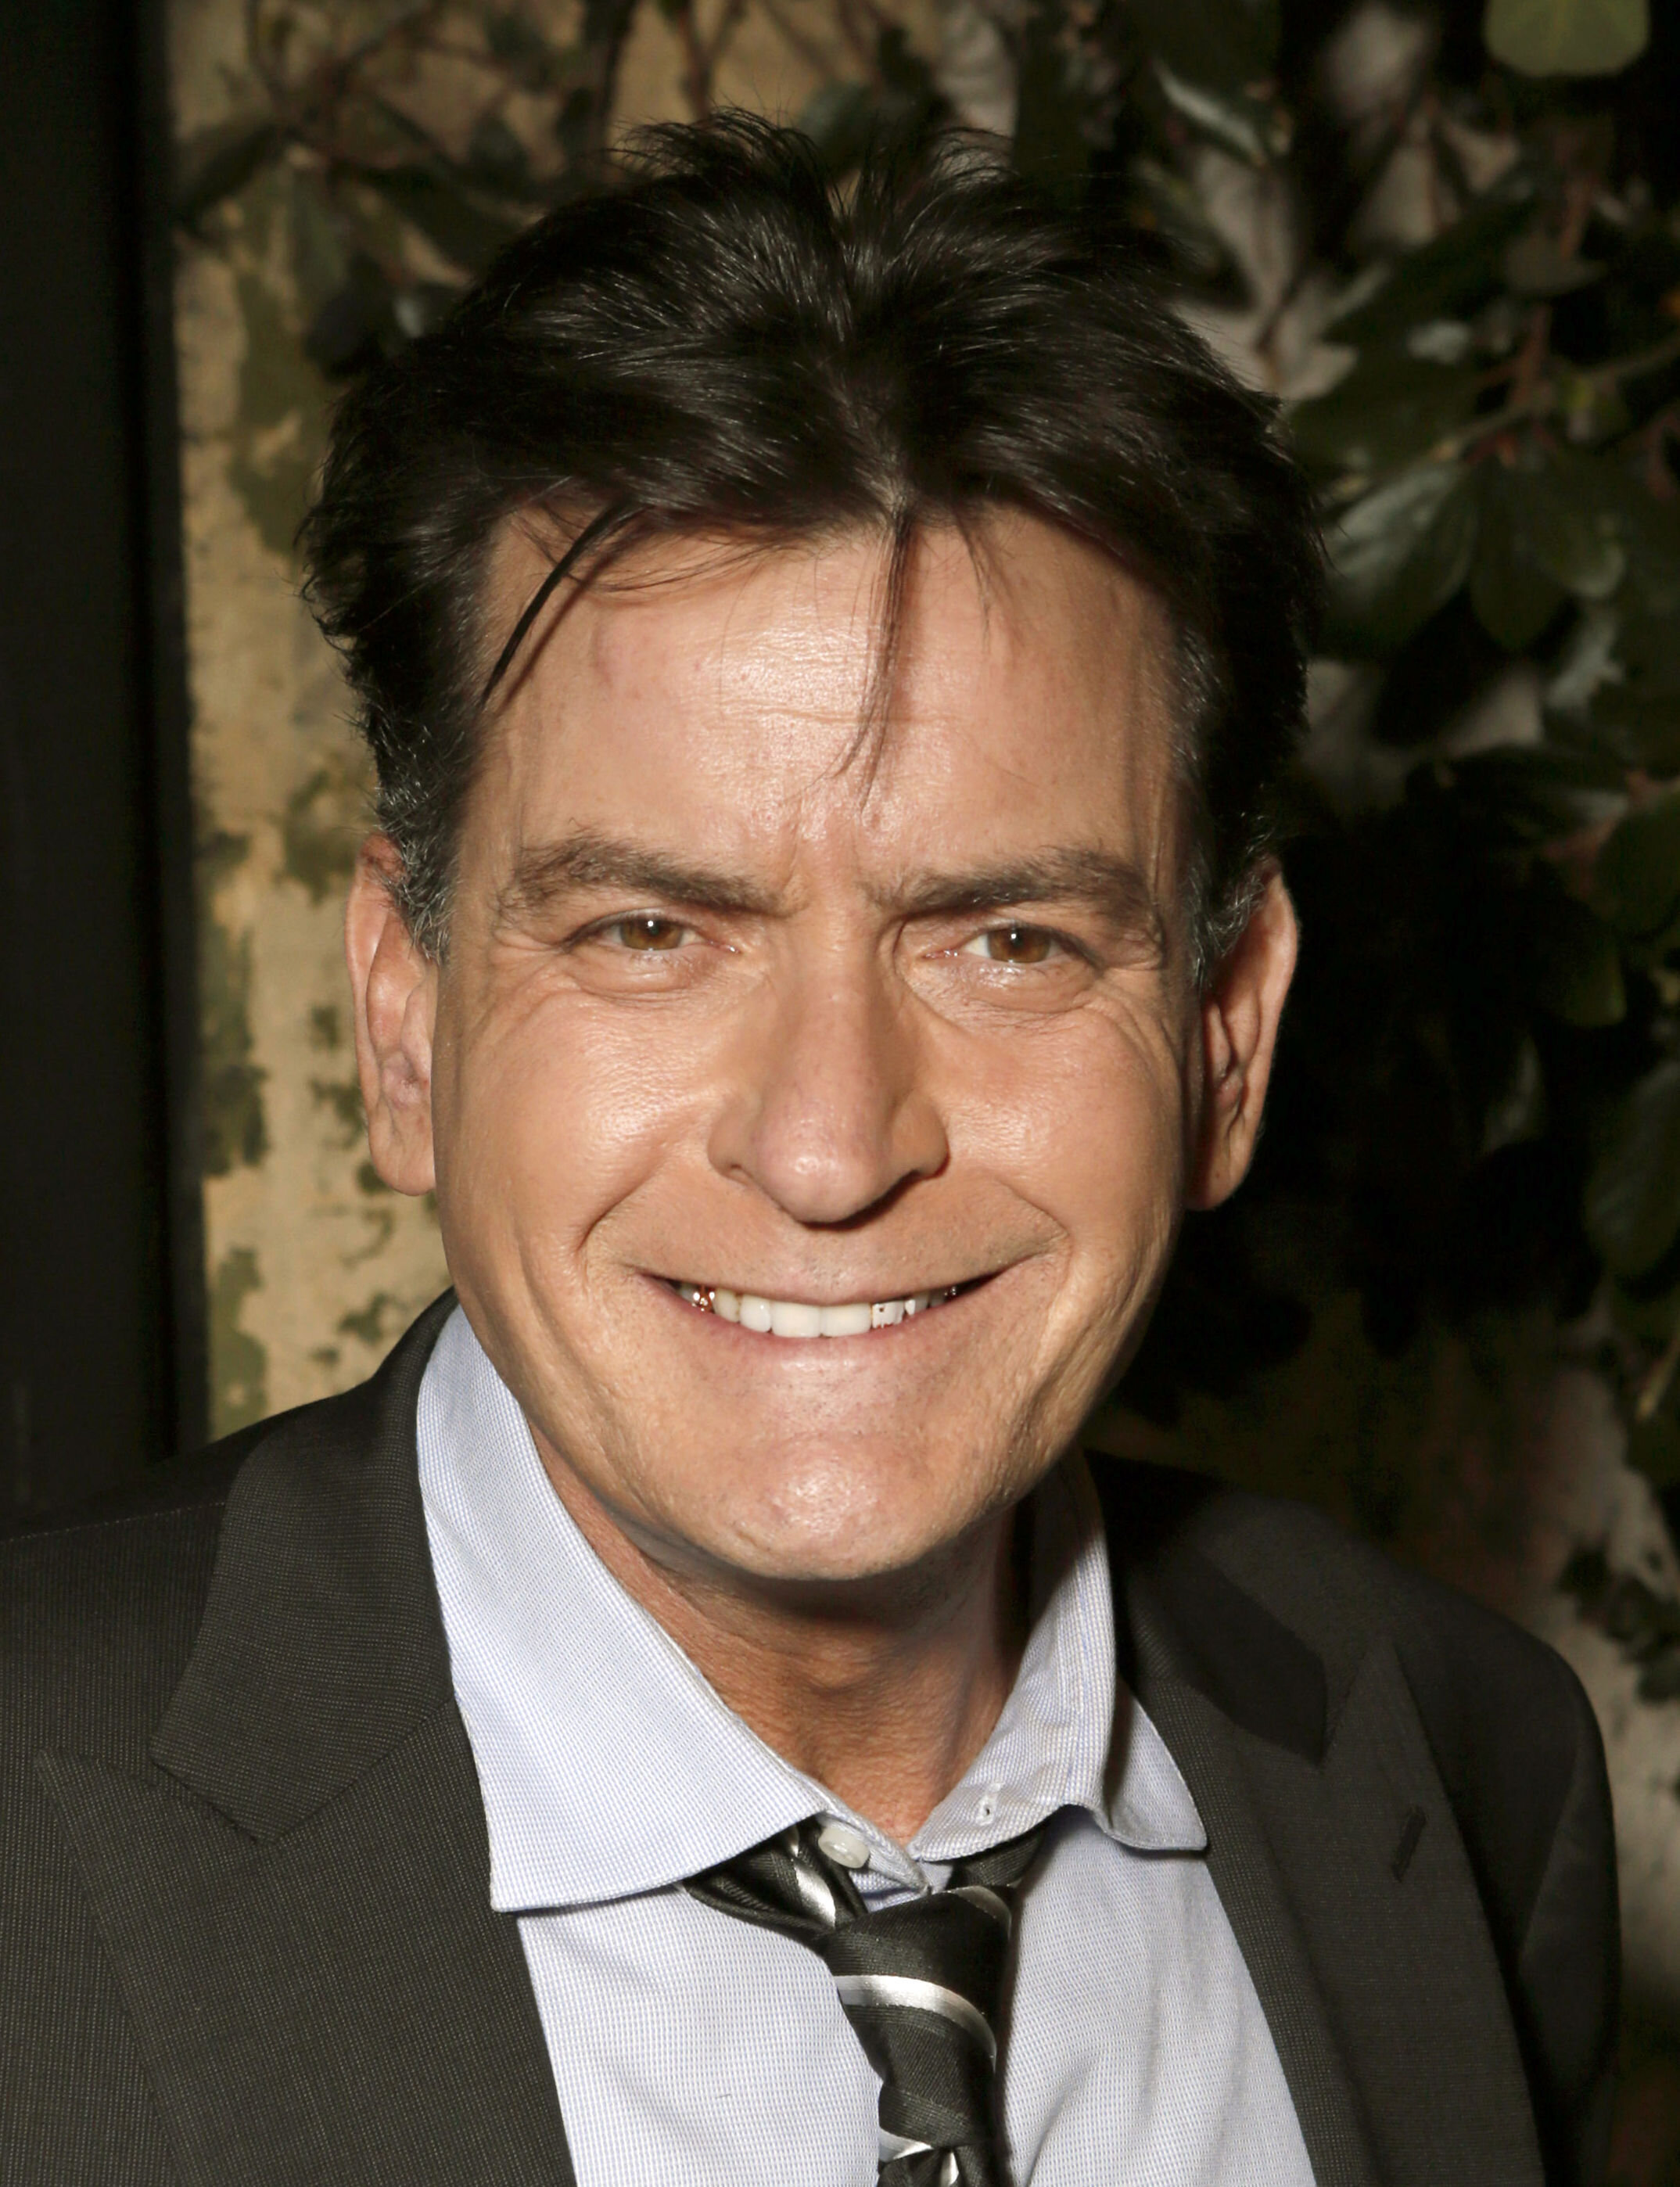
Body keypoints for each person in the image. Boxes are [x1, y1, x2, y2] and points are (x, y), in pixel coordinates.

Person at [2, 119, 1616, 2187]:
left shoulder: (1463, 1772)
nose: (832, 1146)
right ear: (403, 1022)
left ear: (1227, 1037)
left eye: (1007, 939)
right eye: (650, 931)